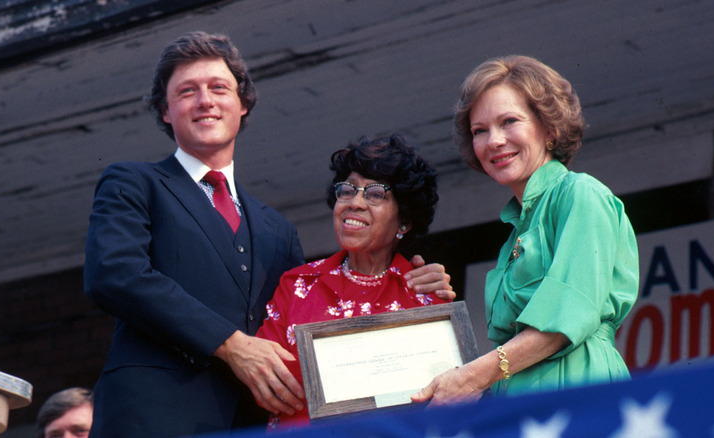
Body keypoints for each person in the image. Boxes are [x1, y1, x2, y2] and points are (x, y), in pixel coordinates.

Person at [83, 31, 454, 438]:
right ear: (165, 110)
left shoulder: (278, 230)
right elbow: (115, 274)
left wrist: (410, 279)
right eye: (187, 91)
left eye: (218, 88)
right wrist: (230, 343)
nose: (205, 100)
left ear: (242, 104)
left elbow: (311, 325)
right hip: (153, 417)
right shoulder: (133, 182)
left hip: (250, 423)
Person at [412, 55, 639, 405]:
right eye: (480, 131)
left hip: (578, 393)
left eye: (509, 122)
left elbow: (563, 322)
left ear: (549, 128)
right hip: (517, 402)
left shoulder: (580, 194)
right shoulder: (519, 224)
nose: (494, 141)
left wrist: (470, 378)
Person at [256, 134, 450, 429]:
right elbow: (265, 383)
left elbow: (443, 400)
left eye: (375, 194)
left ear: (404, 222)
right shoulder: (297, 285)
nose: (354, 203)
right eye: (347, 191)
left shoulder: (425, 296)